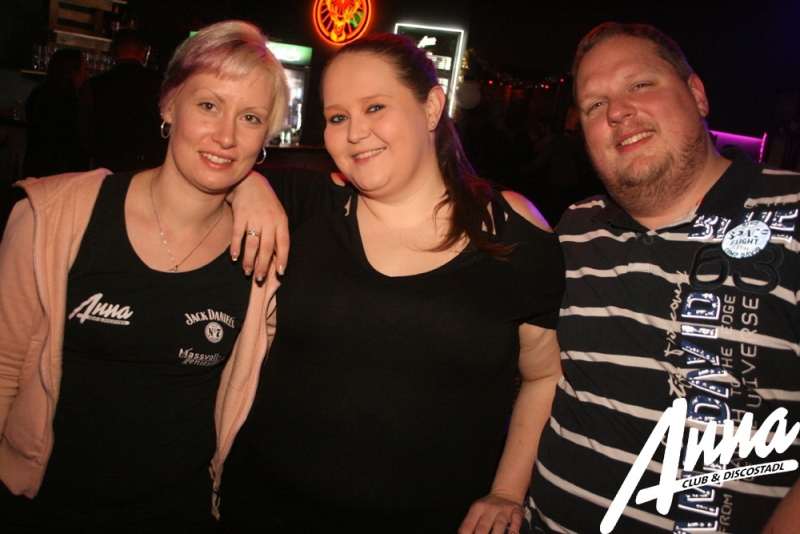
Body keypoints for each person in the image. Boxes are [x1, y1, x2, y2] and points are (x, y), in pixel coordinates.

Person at [215, 33, 565, 534]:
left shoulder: (510, 231)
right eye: (338, 117)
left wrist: (507, 491)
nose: (355, 132)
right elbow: (190, 178)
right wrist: (244, 184)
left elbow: (544, 375)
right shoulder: (303, 204)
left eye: (375, 107)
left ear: (432, 107)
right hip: (266, 508)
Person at [0, 21, 289, 532]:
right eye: (208, 105)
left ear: (266, 137)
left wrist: (255, 185)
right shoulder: (55, 217)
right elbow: (2, 369)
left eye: (250, 118)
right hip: (39, 509)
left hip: (180, 514)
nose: (226, 136)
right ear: (169, 105)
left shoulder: (262, 254)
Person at [525, 22, 800, 533]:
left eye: (640, 84)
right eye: (594, 105)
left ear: (696, 94)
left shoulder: (793, 214)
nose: (617, 112)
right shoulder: (575, 230)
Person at [79, 29, 167, 172]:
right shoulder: (161, 84)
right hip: (148, 168)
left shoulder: (94, 85)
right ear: (143, 53)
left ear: (113, 53)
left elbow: (84, 132)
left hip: (106, 168)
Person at [22, 48, 91, 178]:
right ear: (74, 74)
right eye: (85, 69)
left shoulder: (38, 94)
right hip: (63, 174)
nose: (87, 75)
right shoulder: (72, 103)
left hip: (35, 169)